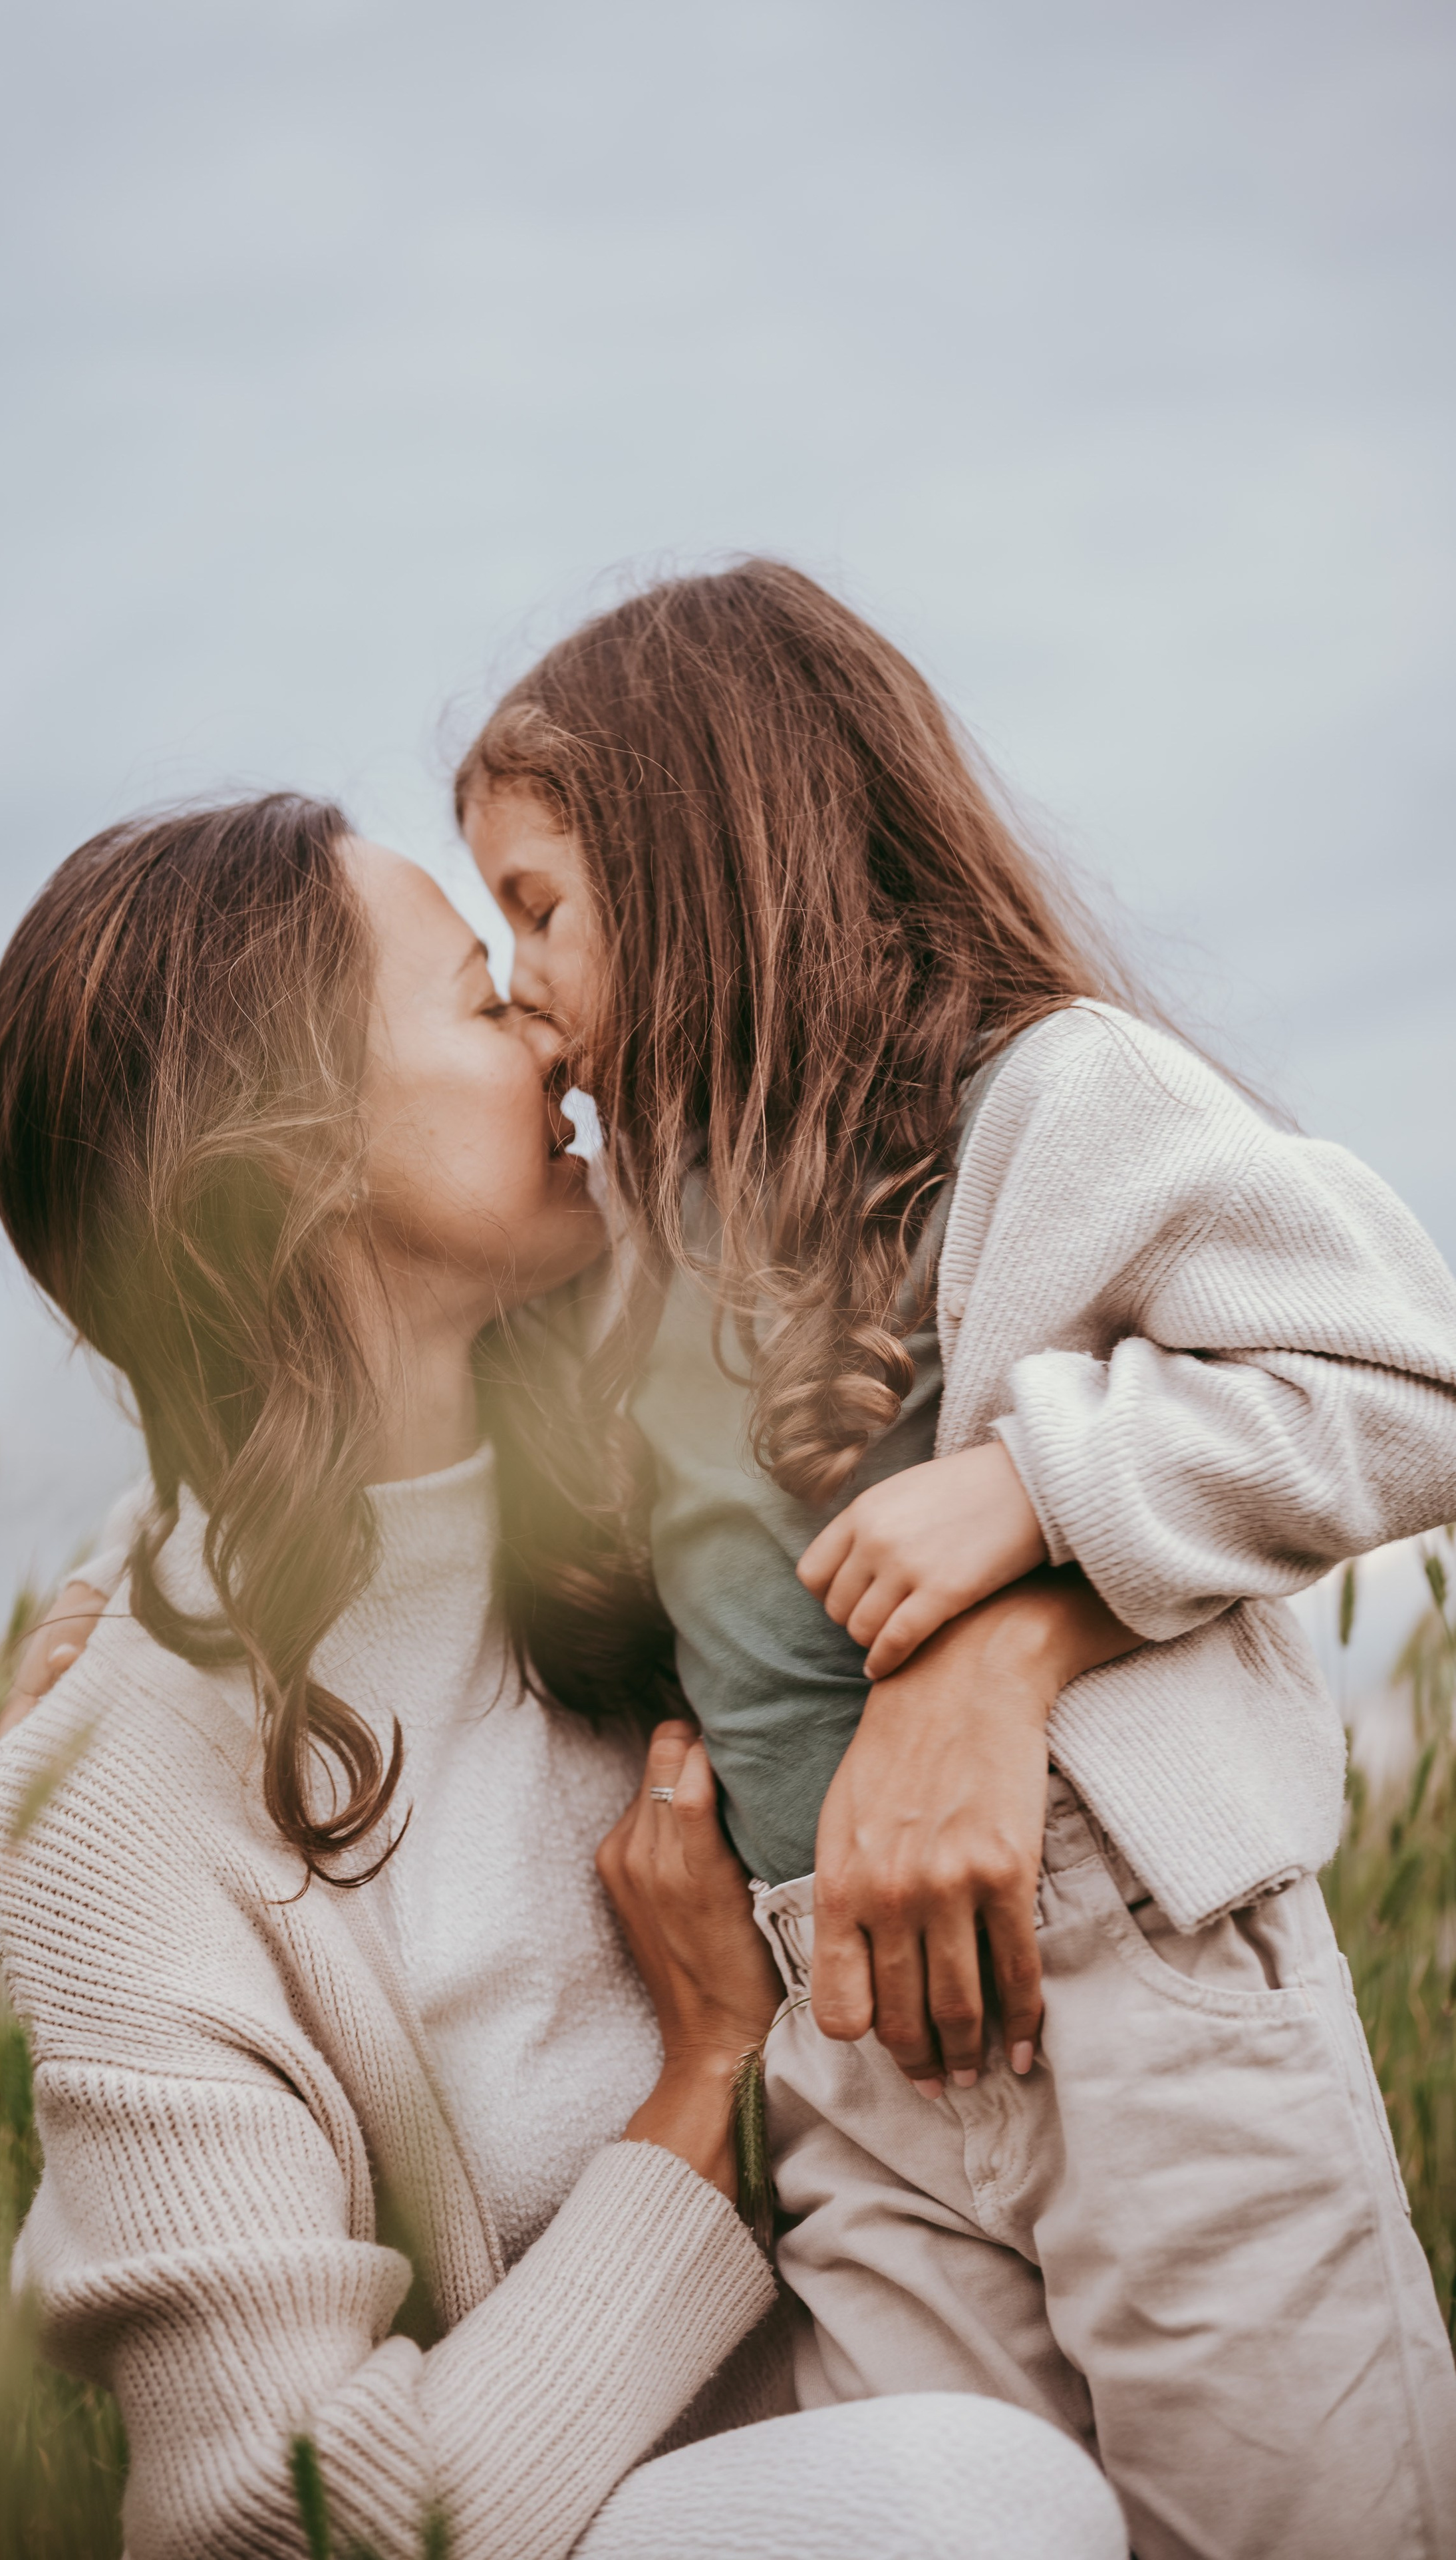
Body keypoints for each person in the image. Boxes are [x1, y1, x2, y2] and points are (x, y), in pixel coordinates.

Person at [0, 794, 1129, 2560]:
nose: (562, 1036)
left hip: (971, 2359)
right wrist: (704, 2081)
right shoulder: (114, 1801)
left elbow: (1221, 1454)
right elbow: (289, 2527)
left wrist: (1009, 1656)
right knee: (986, 2505)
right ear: (292, 1164)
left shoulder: (691, 1410)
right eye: (476, 998)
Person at [456, 558, 1456, 2560]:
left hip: (1143, 1989)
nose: (512, 979)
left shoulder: (1041, 1102)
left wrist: (1037, 1488)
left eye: (537, 907)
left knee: (1297, 2514)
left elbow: (1404, 1375)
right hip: (857, 2061)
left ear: (709, 855)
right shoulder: (634, 1254)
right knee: (960, 2512)